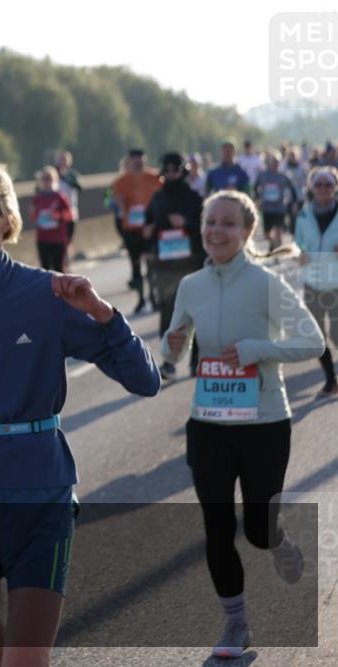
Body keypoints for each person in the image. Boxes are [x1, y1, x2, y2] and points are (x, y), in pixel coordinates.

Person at [0, 155, 160, 667]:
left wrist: (103, 315)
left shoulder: (51, 294)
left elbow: (145, 381)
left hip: (36, 489)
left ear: (8, 221)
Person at [161, 190, 325, 660]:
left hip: (264, 423)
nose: (216, 230)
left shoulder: (266, 284)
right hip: (208, 423)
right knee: (216, 527)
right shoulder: (191, 285)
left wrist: (258, 348)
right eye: (210, 221)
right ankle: (236, 625)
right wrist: (172, 348)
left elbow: (311, 342)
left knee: (256, 527)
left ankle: (277, 539)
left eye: (228, 223)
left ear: (248, 231)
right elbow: (172, 358)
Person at [145, 152, 204, 380]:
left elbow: (205, 227)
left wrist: (186, 223)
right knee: (168, 314)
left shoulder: (194, 197)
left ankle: (196, 360)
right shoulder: (157, 198)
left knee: (195, 313)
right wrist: (152, 229)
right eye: (167, 170)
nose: (171, 174)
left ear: (183, 172)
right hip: (165, 265)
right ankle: (168, 361)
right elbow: (148, 226)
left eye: (176, 170)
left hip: (191, 262)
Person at [293, 166, 338, 398]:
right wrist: (299, 252)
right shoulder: (303, 215)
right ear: (311, 187)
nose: (323, 189)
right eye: (318, 184)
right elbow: (297, 242)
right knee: (318, 335)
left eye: (328, 184)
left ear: (335, 187)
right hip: (312, 281)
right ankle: (331, 381)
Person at [111, 148, 162, 313]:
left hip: (149, 227)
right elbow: (112, 202)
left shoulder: (155, 178)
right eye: (135, 162)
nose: (139, 165)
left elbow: (163, 196)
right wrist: (117, 202)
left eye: (141, 162)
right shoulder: (120, 182)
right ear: (129, 163)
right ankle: (141, 298)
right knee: (135, 265)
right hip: (131, 228)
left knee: (151, 262)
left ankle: (154, 295)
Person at [253, 151, 300, 251]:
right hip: (267, 207)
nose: (275, 164)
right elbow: (255, 187)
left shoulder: (284, 175)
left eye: (277, 162)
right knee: (267, 234)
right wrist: (257, 199)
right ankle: (273, 244)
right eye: (273, 162)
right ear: (269, 163)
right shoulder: (263, 175)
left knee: (279, 231)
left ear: (279, 163)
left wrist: (293, 202)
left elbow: (292, 189)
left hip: (279, 208)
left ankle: (277, 251)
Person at [30, 166, 74, 272]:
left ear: (55, 180)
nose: (46, 181)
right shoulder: (38, 198)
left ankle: (60, 289)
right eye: (44, 178)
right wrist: (35, 213)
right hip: (43, 238)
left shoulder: (60, 197)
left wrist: (57, 215)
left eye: (49, 178)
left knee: (58, 269)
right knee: (45, 270)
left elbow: (70, 215)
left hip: (58, 238)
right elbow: (33, 218)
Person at [54, 149, 82, 241]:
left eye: (65, 160)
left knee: (69, 235)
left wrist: (65, 177)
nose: (62, 162)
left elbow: (79, 187)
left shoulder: (72, 174)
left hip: (70, 209)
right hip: (56, 211)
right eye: (60, 159)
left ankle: (66, 251)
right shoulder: (53, 175)